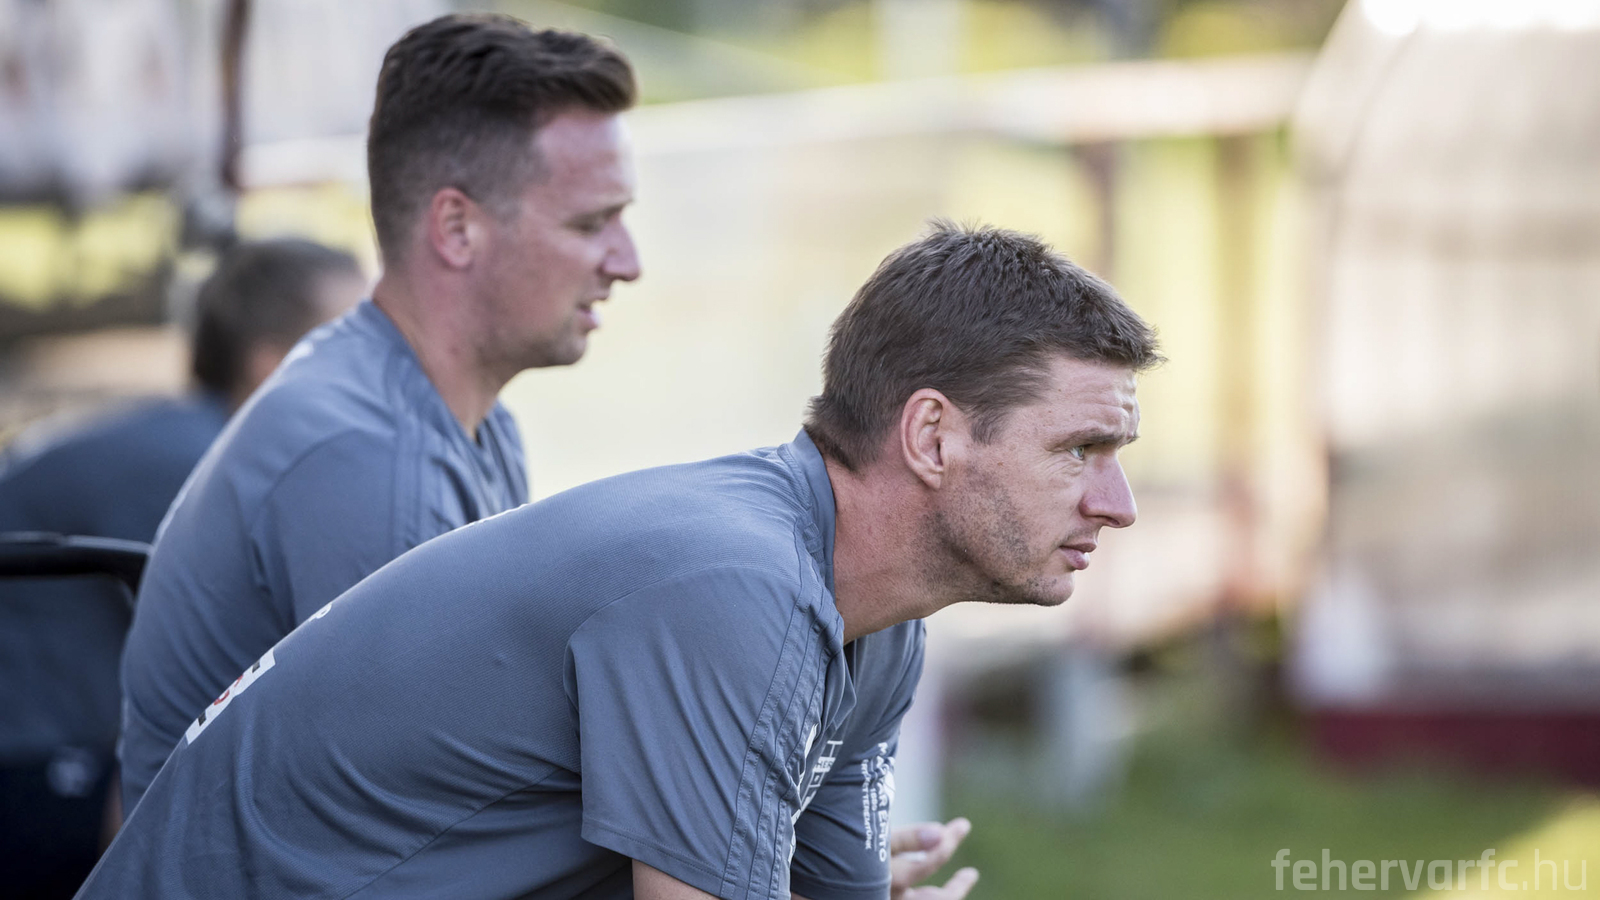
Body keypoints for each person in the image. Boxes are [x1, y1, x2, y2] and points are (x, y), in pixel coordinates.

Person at [76, 222, 1161, 900]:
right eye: (1078, 451)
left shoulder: (876, 625)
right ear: (930, 436)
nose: (1114, 505)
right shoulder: (735, 589)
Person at [115, 13, 639, 812]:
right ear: (456, 228)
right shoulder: (370, 459)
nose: (628, 262)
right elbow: (439, 816)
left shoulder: (462, 416)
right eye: (591, 223)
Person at [0, 238, 362, 900]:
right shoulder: (204, 464)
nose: (380, 361)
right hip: (32, 761)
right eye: (352, 336)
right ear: (273, 362)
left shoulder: (196, 437)